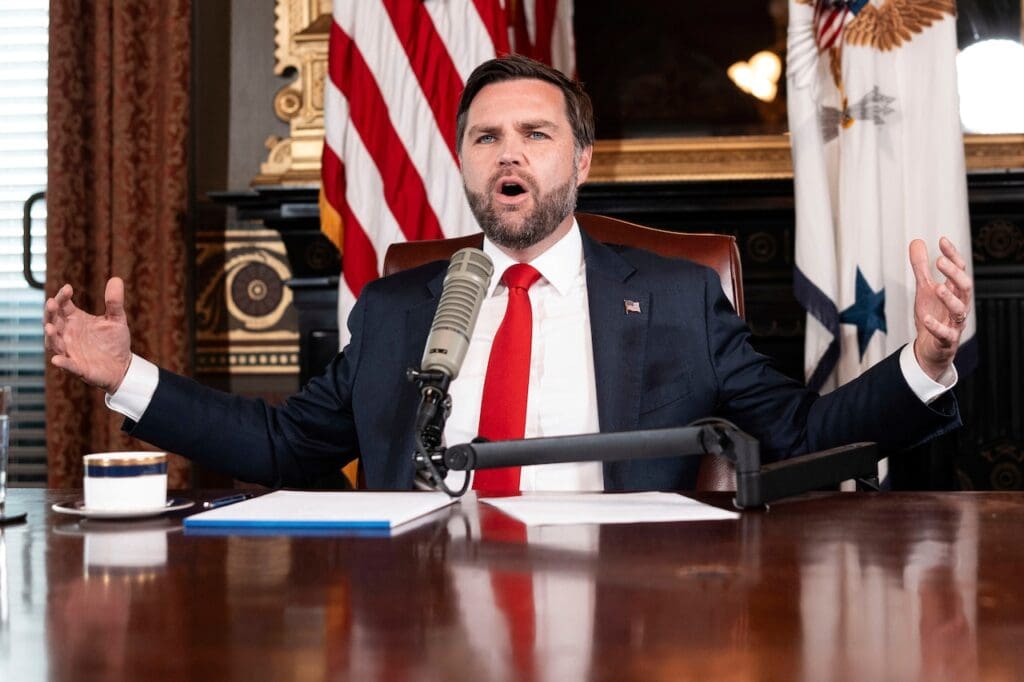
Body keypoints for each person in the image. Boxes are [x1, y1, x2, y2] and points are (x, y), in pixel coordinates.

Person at [44, 55, 972, 492]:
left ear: (581, 160)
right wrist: (127, 375)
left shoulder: (679, 300)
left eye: (535, 133)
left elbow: (802, 434)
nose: (509, 153)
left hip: (624, 611)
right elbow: (288, 447)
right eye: (486, 137)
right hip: (425, 610)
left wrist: (925, 361)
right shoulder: (398, 308)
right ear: (463, 162)